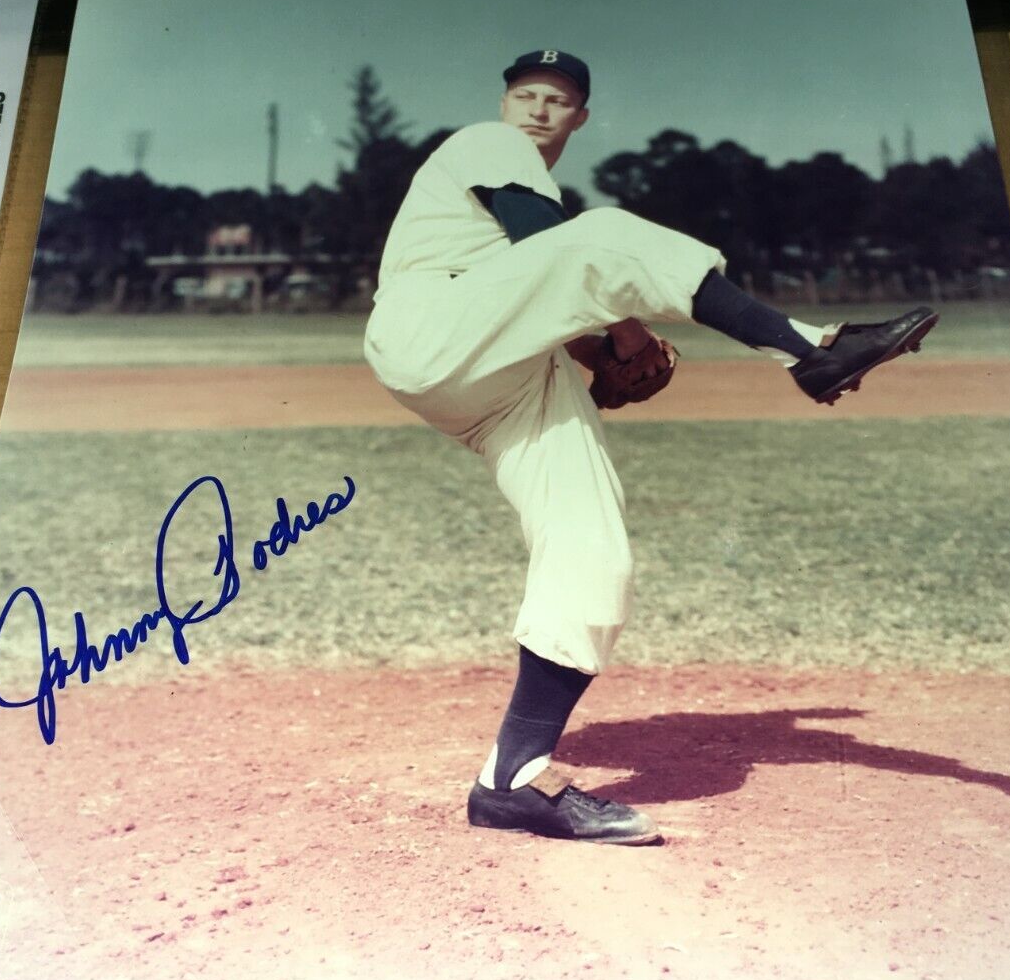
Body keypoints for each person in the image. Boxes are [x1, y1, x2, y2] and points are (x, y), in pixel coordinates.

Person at [362, 49, 936, 846]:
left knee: (592, 551)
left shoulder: (537, 186)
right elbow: (550, 242)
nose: (537, 109)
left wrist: (604, 357)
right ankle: (810, 349)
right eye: (524, 94)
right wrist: (628, 329)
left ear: (581, 117)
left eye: (557, 100)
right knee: (603, 235)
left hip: (501, 373)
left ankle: (513, 781)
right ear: (503, 104)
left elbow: (535, 292)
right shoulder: (485, 147)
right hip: (426, 330)